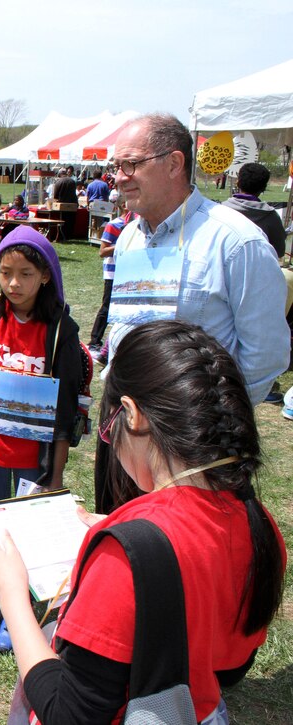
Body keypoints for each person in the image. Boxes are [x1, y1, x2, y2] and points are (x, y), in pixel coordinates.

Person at [0, 320, 286, 724]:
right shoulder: (259, 523)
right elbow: (230, 668)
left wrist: (11, 594)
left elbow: (66, 713)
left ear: (132, 415)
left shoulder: (126, 552)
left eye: (108, 427)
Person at [98, 113, 287, 512]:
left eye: (130, 164)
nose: (119, 176)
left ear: (174, 163)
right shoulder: (130, 235)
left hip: (195, 456)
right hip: (126, 434)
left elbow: (266, 354)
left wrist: (207, 423)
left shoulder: (236, 243)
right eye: (116, 166)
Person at [0, 227, 84, 653]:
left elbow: (64, 410)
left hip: (34, 458)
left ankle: (17, 612)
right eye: (5, 272)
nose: (14, 283)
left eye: (25, 273)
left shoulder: (61, 328)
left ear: (44, 275)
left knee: (27, 534)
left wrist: (54, 475)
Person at [86, 209, 135, 364]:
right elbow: (103, 251)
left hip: (128, 272)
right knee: (107, 308)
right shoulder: (114, 225)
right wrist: (123, 244)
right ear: (124, 207)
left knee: (123, 311)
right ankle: (94, 341)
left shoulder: (138, 225)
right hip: (113, 273)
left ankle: (107, 351)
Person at [222, 162, 286, 259]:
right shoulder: (271, 217)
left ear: (238, 182)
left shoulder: (220, 211)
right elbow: (279, 251)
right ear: (264, 188)